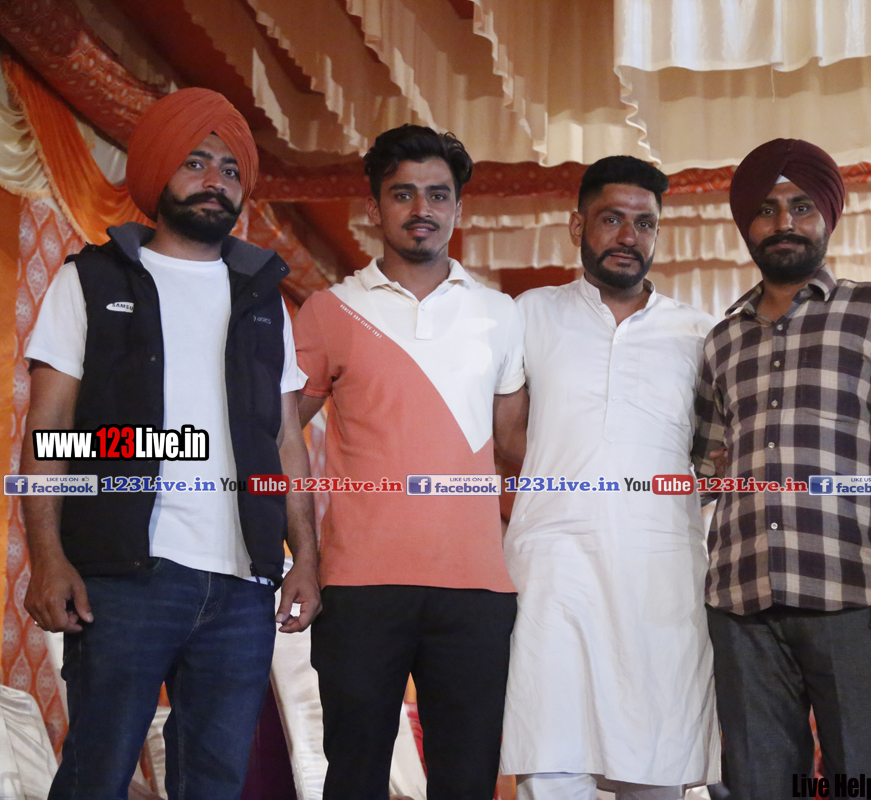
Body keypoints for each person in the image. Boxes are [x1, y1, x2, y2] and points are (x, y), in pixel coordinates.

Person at [21, 87, 321, 798]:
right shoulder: (91, 280)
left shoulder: (264, 300)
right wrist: (48, 557)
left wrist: (305, 558)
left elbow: (286, 439)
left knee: (214, 783)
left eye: (230, 169)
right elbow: (49, 431)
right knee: (96, 775)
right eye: (195, 162)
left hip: (243, 585)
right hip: (123, 578)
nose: (215, 180)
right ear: (158, 173)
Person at [692, 138, 871, 798]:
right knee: (757, 784)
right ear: (745, 224)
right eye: (766, 210)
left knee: (865, 775)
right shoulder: (720, 341)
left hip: (855, 596)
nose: (784, 223)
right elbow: (705, 472)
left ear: (828, 216)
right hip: (740, 602)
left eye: (801, 207)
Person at [293, 124, 526, 798]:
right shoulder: (330, 311)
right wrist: (303, 559)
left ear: (458, 207)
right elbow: (275, 437)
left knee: (468, 781)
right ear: (374, 207)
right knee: (355, 778)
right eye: (403, 194)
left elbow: (518, 450)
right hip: (357, 587)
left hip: (479, 591)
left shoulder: (500, 314)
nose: (422, 208)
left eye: (437, 194)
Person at [501, 156, 720, 799]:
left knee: (656, 764)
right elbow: (509, 436)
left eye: (644, 223)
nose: (629, 236)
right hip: (553, 572)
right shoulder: (531, 313)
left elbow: (713, 455)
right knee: (551, 763)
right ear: (578, 226)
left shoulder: (698, 333)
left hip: (661, 575)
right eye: (612, 219)